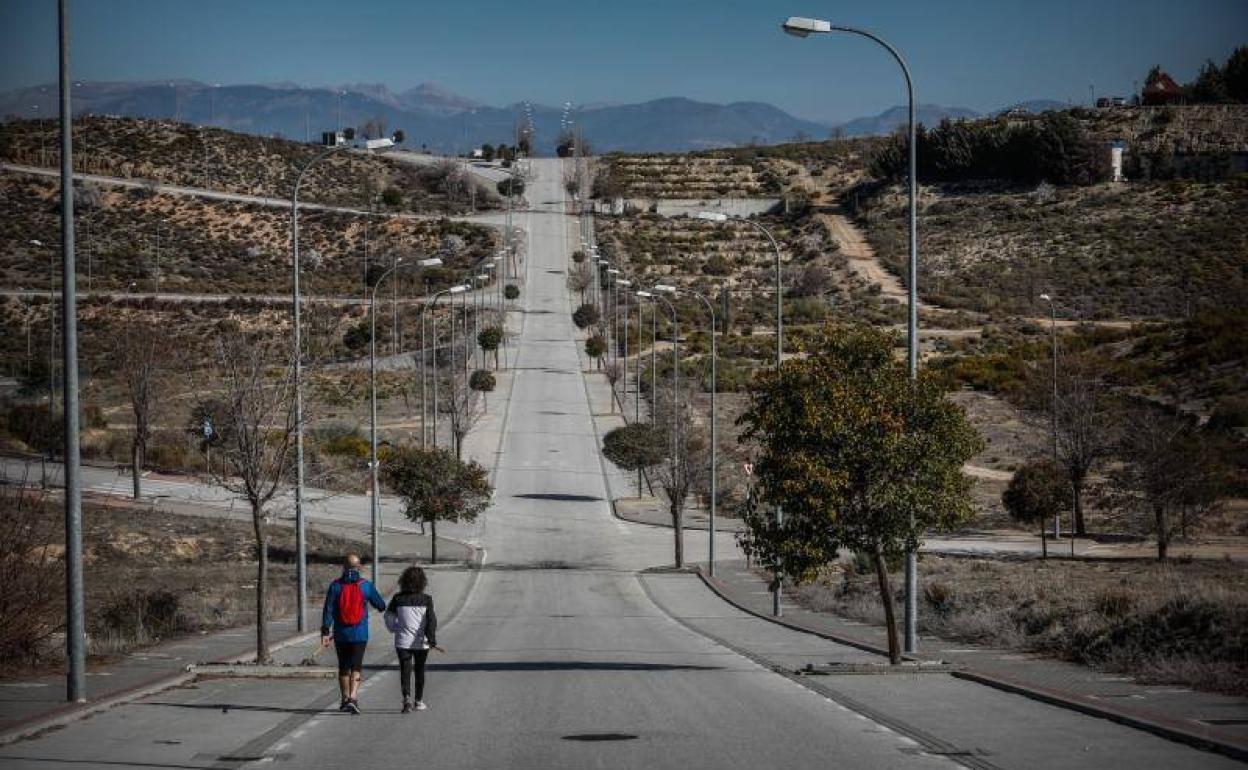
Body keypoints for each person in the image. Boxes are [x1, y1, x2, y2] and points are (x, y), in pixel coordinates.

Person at [321, 554, 386, 715]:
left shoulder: (335, 586)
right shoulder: (366, 586)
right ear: (359, 567)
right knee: (356, 667)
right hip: (360, 634)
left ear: (343, 567)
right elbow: (381, 605)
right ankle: (353, 698)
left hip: (341, 634)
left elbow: (328, 609)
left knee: (343, 667)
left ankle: (344, 699)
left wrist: (325, 631)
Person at [384, 565, 441, 713]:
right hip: (421, 642)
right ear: (422, 582)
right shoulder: (427, 599)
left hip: (402, 641)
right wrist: (432, 638)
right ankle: (419, 701)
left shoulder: (397, 598)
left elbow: (388, 617)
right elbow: (431, 621)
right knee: (420, 670)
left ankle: (406, 698)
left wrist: (394, 628)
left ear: (403, 581)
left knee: (405, 669)